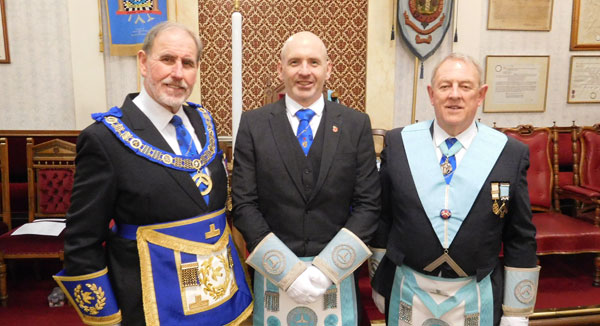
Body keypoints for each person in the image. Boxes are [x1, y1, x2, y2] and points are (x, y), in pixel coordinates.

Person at [53, 22, 252, 326]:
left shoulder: (204, 122)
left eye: (188, 63)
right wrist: (106, 318)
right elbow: (83, 241)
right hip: (151, 305)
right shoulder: (105, 139)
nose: (178, 73)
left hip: (220, 298)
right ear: (144, 63)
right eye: (168, 59)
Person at [370, 53, 539, 326]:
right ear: (431, 93)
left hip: (476, 293)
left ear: (480, 94)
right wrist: (379, 280)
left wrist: (516, 310)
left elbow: (520, 235)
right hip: (408, 290)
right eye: (445, 86)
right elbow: (383, 217)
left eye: (465, 86)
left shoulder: (509, 153)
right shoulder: (400, 144)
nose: (454, 95)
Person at [232, 31, 381, 326]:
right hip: (275, 275)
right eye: (294, 62)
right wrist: (286, 270)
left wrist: (328, 269)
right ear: (280, 69)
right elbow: (244, 205)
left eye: (314, 62)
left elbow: (368, 205)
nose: (304, 71)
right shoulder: (253, 124)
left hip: (335, 277)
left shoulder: (355, 124)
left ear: (328, 68)